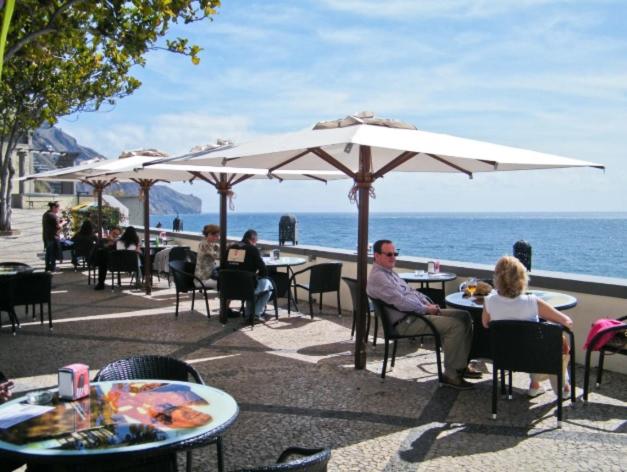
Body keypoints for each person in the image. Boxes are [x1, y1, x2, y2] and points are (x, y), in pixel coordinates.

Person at [367, 239, 476, 390]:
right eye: (389, 254)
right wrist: (426, 309)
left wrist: (427, 304)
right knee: (455, 326)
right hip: (406, 323)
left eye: (395, 253)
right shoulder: (379, 277)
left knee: (464, 316)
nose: (393, 257)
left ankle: (461, 365)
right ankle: (451, 375)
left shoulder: (389, 273)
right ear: (377, 256)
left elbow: (411, 292)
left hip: (416, 314)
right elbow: (401, 302)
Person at [482, 256, 573, 397]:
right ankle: (562, 387)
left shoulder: (489, 301)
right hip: (534, 358)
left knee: (527, 342)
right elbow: (567, 322)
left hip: (504, 356)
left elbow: (485, 324)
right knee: (557, 342)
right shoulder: (532, 301)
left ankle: (535, 384)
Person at [224, 229, 274, 321]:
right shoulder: (252, 249)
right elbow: (264, 271)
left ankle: (248, 314)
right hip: (247, 289)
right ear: (253, 240)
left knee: (251, 283)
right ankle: (255, 314)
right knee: (268, 286)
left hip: (229, 288)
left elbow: (224, 267)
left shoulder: (230, 248)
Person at [42, 201, 65, 272]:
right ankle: (53, 267)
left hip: (46, 236)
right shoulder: (53, 215)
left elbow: (52, 224)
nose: (58, 210)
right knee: (52, 253)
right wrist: (63, 223)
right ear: (54, 208)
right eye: (58, 208)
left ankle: (47, 267)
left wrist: (59, 221)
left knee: (48, 252)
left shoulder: (46, 214)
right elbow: (58, 226)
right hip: (53, 236)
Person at [195, 224, 220, 289]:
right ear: (209, 234)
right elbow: (216, 256)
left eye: (218, 236)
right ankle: (223, 298)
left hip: (209, 275)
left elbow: (218, 249)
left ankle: (224, 297)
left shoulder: (210, 244)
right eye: (216, 236)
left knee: (224, 275)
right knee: (224, 282)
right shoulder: (204, 244)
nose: (217, 238)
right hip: (202, 279)